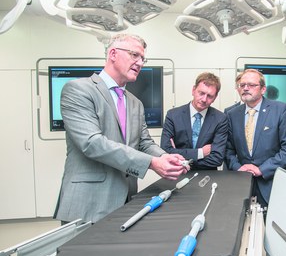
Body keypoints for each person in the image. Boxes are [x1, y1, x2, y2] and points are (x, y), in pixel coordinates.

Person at [54, 33, 187, 224]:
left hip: (125, 199)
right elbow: (92, 143)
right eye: (135, 55)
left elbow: (143, 142)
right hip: (88, 202)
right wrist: (151, 163)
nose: (140, 63)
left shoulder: (135, 103)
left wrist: (163, 157)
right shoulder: (79, 90)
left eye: (143, 58)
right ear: (113, 54)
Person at [225, 69, 286, 208]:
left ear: (263, 89)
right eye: (242, 85)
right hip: (241, 184)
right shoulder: (231, 114)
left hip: (270, 183)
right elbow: (228, 149)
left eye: (251, 85)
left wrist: (262, 169)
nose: (245, 88)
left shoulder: (280, 110)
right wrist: (239, 168)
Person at [160, 72, 228, 170]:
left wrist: (181, 159)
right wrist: (200, 153)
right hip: (177, 174)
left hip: (207, 177)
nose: (204, 99)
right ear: (193, 90)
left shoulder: (220, 119)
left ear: (215, 98)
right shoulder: (173, 115)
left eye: (209, 96)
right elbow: (166, 151)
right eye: (201, 93)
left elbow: (217, 159)